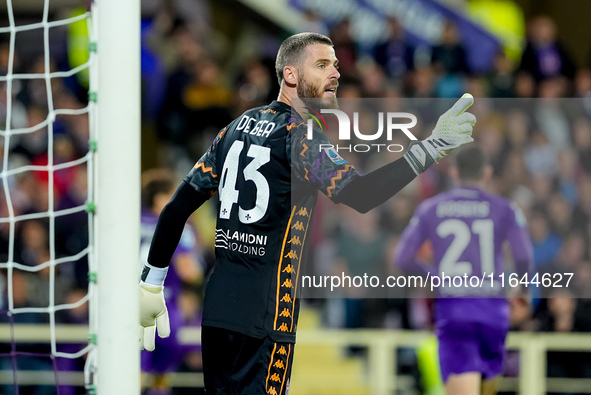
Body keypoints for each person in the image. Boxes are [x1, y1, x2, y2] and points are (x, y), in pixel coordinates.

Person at [138, 32, 476, 394]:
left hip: (219, 311)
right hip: (267, 314)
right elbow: (361, 194)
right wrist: (429, 148)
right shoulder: (301, 137)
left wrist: (151, 281)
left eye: (335, 65)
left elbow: (177, 206)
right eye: (322, 64)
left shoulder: (234, 129)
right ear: (291, 75)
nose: (335, 73)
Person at [394, 146, 534, 395]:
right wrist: (520, 290)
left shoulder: (431, 209)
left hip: (456, 313)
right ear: (487, 173)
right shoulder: (505, 209)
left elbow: (402, 257)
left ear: (455, 172)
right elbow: (523, 257)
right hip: (494, 313)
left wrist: (436, 277)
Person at [140, 169, 204, 395]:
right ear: (160, 199)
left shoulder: (130, 224)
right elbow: (191, 272)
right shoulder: (176, 225)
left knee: (132, 376)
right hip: (162, 310)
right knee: (159, 380)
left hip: (129, 307)